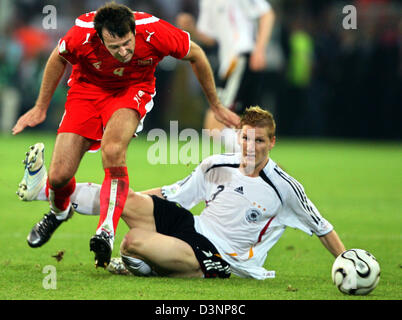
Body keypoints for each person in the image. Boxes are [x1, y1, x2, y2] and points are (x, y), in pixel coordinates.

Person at [12, 2, 239, 268]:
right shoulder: (82, 33)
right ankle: (59, 211)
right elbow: (57, 57)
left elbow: (197, 54)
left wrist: (216, 105)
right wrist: (40, 107)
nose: (123, 51)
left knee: (113, 150)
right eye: (114, 46)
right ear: (100, 37)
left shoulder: (154, 31)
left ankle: (105, 231)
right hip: (86, 92)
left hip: (132, 90)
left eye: (127, 43)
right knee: (60, 175)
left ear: (133, 31)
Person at [18, 106, 346, 279]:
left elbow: (322, 226)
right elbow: (173, 193)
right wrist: (119, 205)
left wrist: (346, 260)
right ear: (239, 138)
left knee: (132, 243)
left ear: (272, 143)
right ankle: (44, 189)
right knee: (128, 197)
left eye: (259, 141)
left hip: (219, 255)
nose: (250, 147)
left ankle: (143, 263)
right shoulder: (218, 164)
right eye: (246, 139)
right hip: (192, 226)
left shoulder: (285, 187)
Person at [176, 0, 275, 151]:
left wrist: (260, 49)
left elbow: (267, 14)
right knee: (236, 122)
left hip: (241, 58)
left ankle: (253, 159)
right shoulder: (206, 2)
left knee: (215, 121)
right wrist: (191, 28)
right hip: (229, 64)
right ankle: (251, 162)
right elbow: (209, 38)